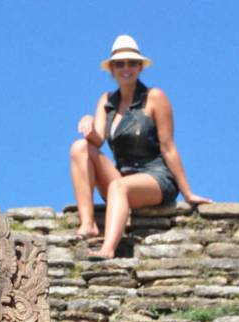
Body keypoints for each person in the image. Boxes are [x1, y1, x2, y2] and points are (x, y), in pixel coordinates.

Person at [70, 34, 211, 259]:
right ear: (112, 69)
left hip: (155, 177)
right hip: (122, 177)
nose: (126, 68)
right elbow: (97, 140)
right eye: (120, 64)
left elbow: (168, 147)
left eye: (132, 63)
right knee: (79, 147)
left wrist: (187, 193)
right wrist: (89, 124)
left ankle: (107, 250)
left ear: (140, 67)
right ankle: (88, 224)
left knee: (119, 187)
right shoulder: (107, 101)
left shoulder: (155, 98)